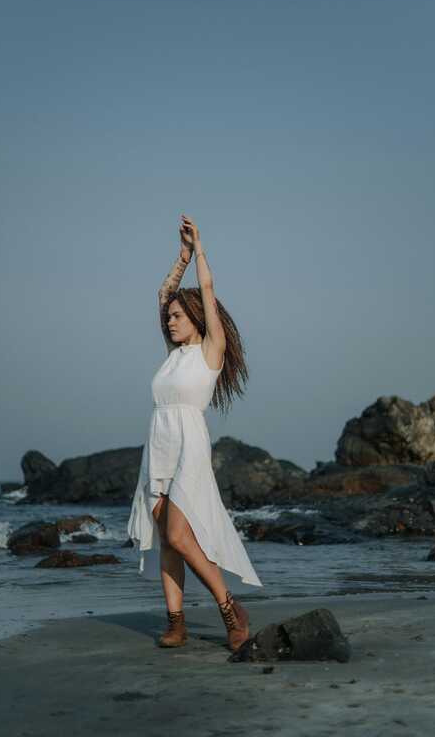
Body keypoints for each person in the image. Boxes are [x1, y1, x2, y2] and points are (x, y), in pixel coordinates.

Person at [127, 214, 263, 652]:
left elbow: (206, 292)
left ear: (196, 319)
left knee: (182, 535)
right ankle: (176, 622)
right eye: (168, 317)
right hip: (160, 443)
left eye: (178, 316)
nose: (169, 320)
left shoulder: (209, 350)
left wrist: (199, 250)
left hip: (189, 443)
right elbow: (163, 293)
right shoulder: (172, 354)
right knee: (166, 538)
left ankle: (229, 609)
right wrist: (179, 257)